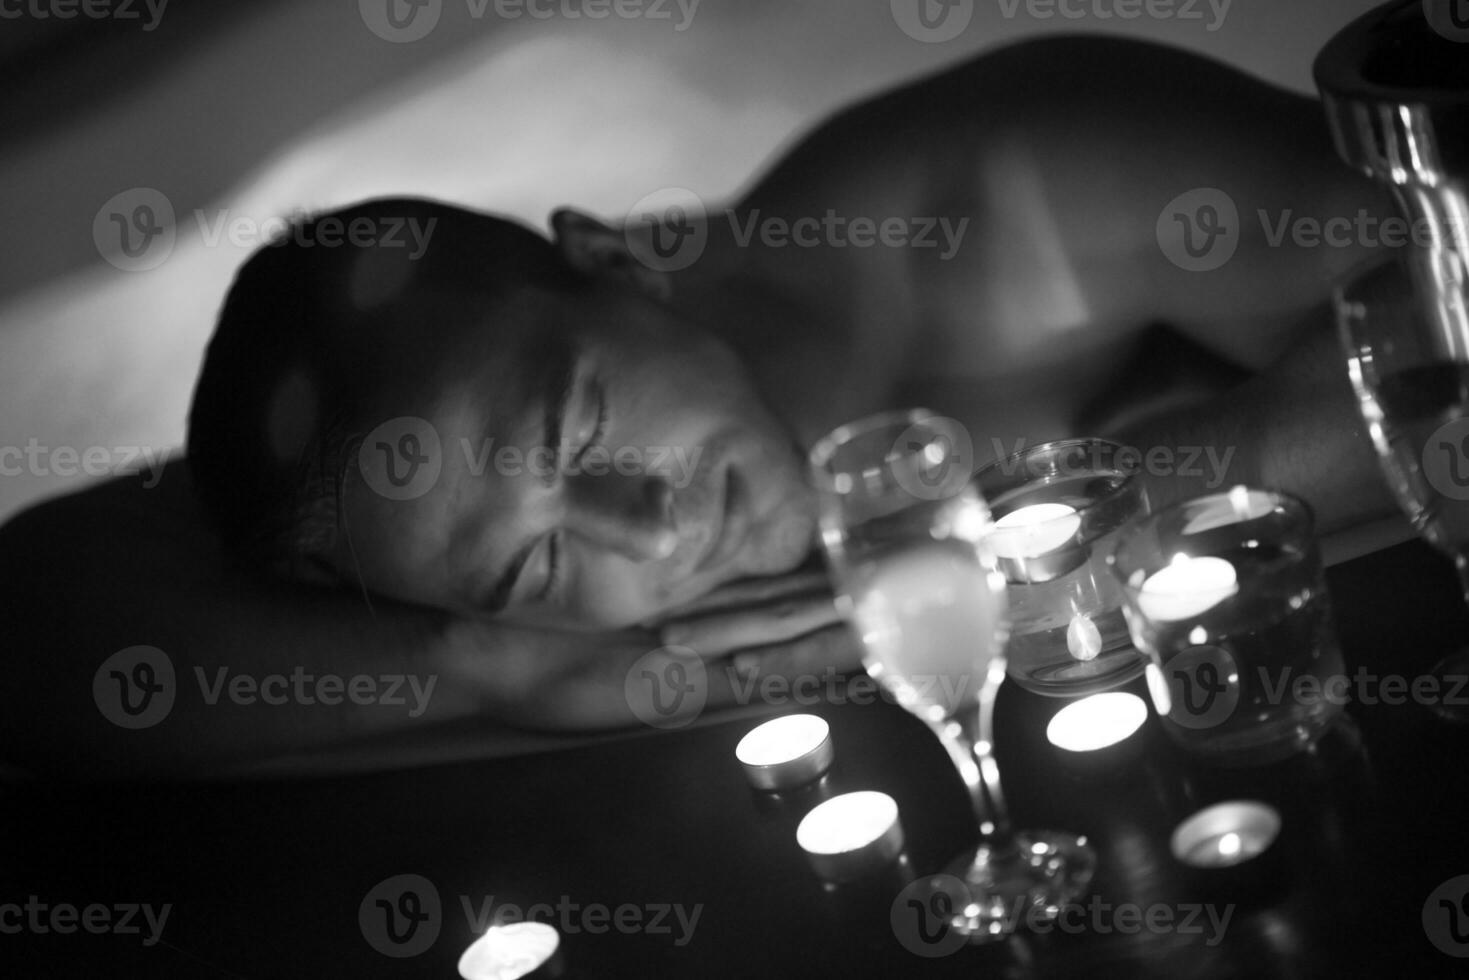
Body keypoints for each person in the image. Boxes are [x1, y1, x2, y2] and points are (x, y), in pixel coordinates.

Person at [0, 36, 1400, 779]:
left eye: (579, 430)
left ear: (618, 259)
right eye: (541, 564)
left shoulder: (994, 192)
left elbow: (1450, 289)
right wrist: (504, 669)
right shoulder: (433, 517)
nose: (644, 530)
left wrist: (1000, 548)